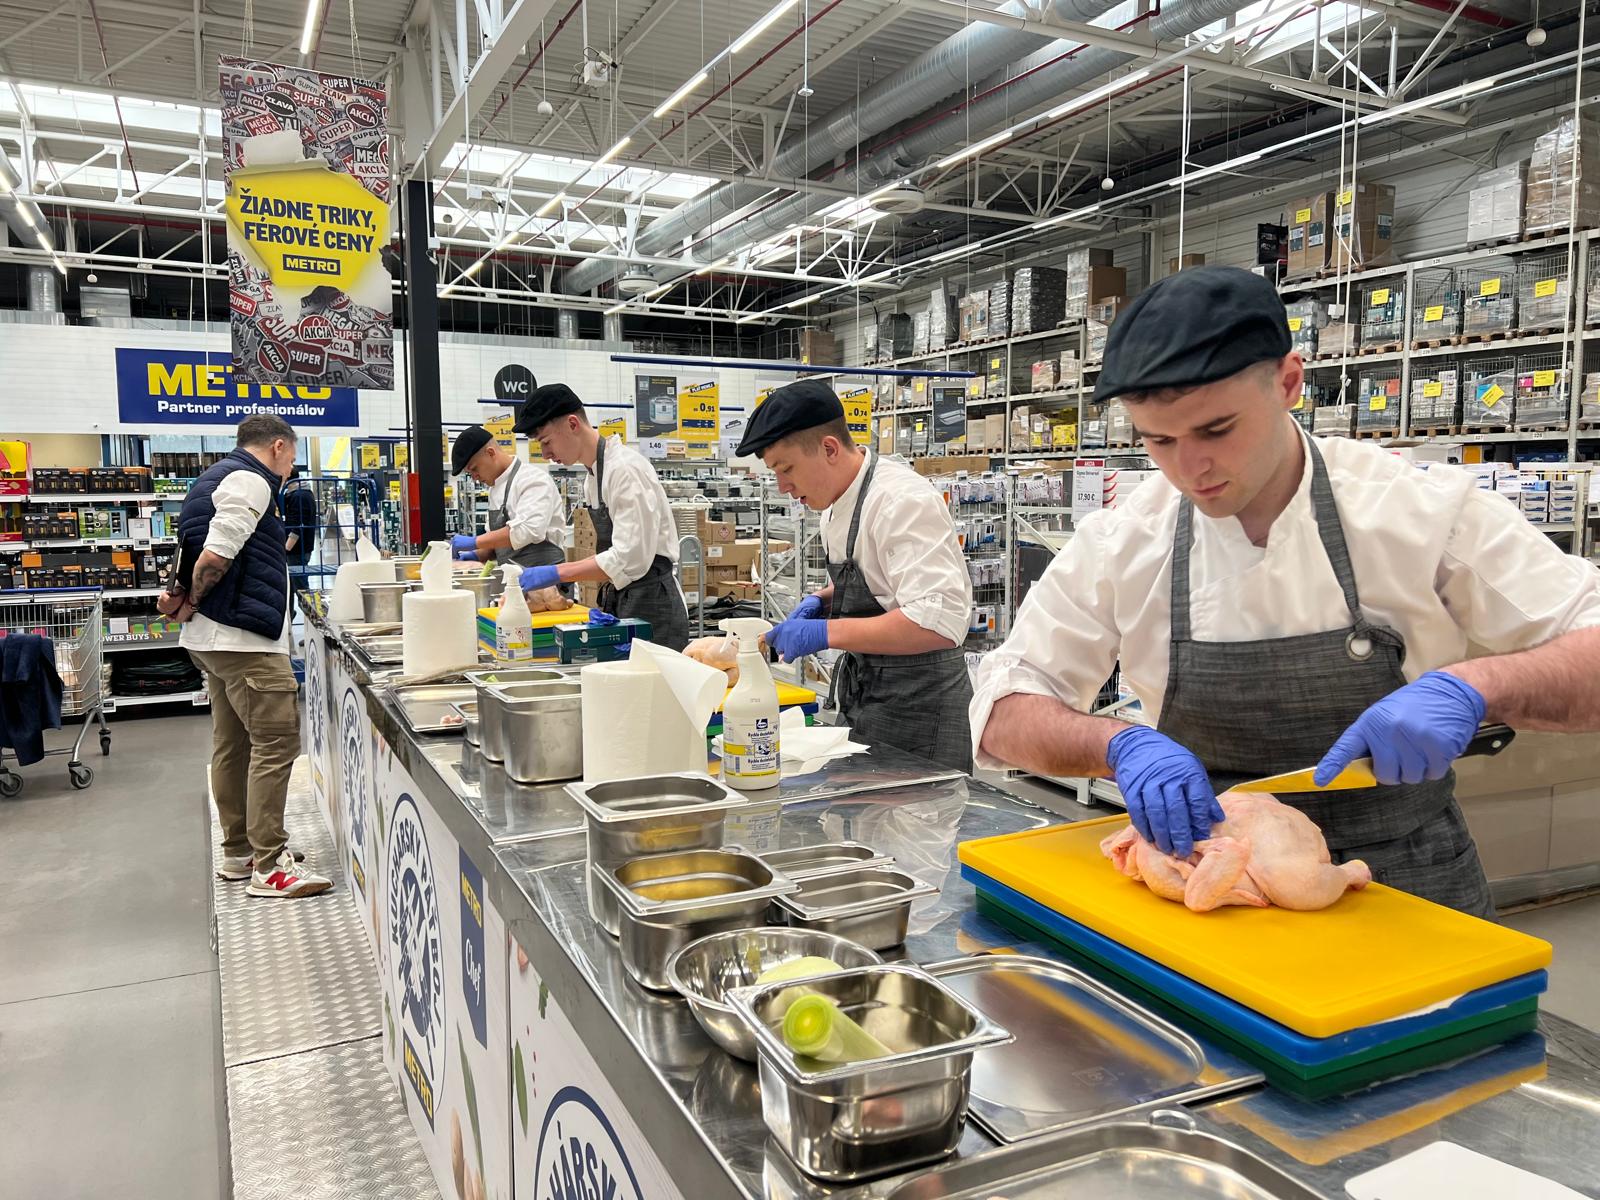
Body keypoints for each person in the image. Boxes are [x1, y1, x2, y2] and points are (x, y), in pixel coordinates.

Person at [972, 266, 1600, 918]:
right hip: (1212, 882)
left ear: (1288, 383)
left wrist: (1476, 688)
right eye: (1159, 440)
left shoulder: (1420, 511)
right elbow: (1002, 709)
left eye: (1217, 430)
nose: (1189, 468)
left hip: (1407, 886)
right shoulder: (1125, 540)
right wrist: (1114, 747)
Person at [736, 379, 975, 773]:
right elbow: (878, 578)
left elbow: (939, 623)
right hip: (868, 693)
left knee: (924, 811)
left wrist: (826, 633)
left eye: (786, 468)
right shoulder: (834, 503)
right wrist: (823, 599)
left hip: (922, 707)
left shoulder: (901, 502)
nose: (782, 486)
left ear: (829, 449)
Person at [159, 413, 331, 899]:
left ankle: (239, 853)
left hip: (214, 640)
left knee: (232, 743)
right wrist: (194, 598)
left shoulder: (210, 478)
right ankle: (270, 865)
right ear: (278, 446)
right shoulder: (250, 481)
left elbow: (192, 549)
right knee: (276, 744)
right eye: (292, 458)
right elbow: (215, 557)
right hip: (244, 639)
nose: (290, 469)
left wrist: (188, 602)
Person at [512, 383, 691, 650]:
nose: (546, 454)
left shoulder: (624, 470)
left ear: (573, 424)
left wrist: (558, 572)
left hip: (654, 606)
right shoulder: (594, 477)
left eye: (546, 442)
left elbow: (630, 558)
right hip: (626, 597)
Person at [447, 425, 565, 571]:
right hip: (513, 579)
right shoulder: (494, 490)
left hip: (546, 578)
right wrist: (475, 555)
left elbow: (528, 530)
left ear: (490, 453)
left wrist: (475, 541)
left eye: (474, 469)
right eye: (469, 474)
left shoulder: (533, 480)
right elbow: (496, 545)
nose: (474, 477)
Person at [281, 466, 318, 570]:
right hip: (300, 547)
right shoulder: (301, 493)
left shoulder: (299, 496)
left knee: (298, 577)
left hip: (297, 549)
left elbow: (298, 525)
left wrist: (286, 549)